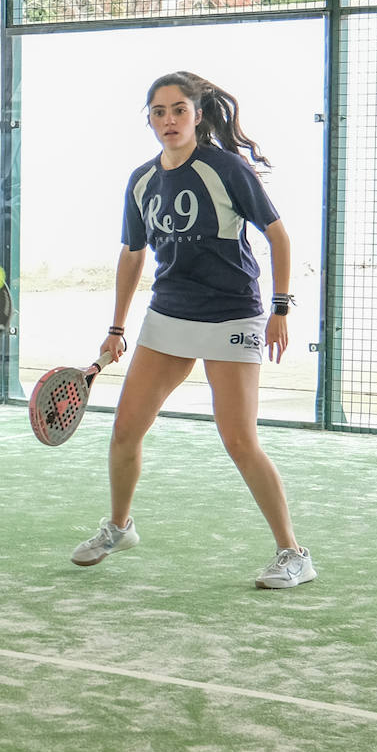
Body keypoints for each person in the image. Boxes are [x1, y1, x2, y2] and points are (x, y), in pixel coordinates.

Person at [70, 71, 313, 591]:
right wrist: (116, 327)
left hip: (231, 314)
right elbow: (133, 253)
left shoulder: (226, 168)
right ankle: (118, 527)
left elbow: (278, 235)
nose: (169, 121)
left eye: (178, 110)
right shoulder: (141, 180)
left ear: (197, 115)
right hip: (169, 315)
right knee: (125, 430)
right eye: (158, 112)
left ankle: (293, 553)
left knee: (240, 440)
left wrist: (281, 308)